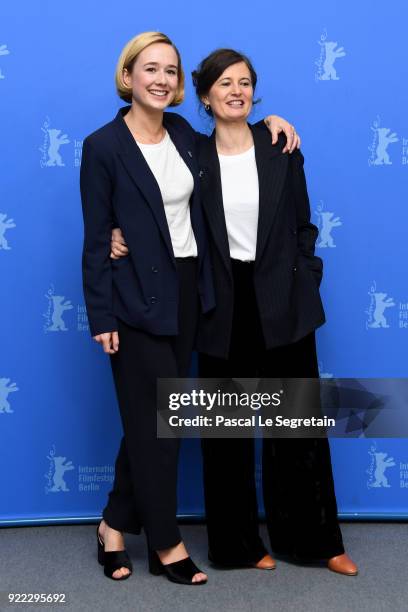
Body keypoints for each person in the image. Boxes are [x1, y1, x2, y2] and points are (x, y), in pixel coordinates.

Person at [111, 47, 358, 577]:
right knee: (227, 436)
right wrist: (118, 233)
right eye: (224, 83)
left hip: (283, 300)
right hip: (219, 302)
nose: (236, 91)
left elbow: (302, 225)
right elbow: (130, 133)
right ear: (203, 95)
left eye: (245, 82)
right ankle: (239, 545)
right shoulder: (189, 152)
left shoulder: (280, 146)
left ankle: (318, 542)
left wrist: (305, 281)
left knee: (297, 428)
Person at [81, 31, 298, 585]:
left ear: (180, 85)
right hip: (133, 299)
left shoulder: (183, 135)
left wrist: (272, 124)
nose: (161, 79)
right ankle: (166, 543)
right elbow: (93, 237)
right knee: (161, 427)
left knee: (153, 418)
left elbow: (233, 148)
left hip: (189, 294)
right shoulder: (102, 145)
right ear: (128, 77)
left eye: (171, 71)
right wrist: (102, 314)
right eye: (150, 69)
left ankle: (112, 524)